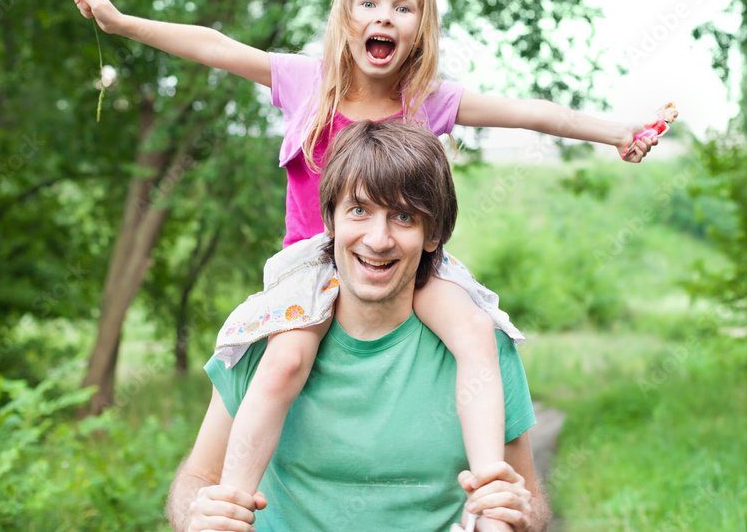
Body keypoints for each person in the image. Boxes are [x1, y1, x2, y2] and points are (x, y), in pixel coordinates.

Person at [71, 0, 661, 516]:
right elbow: (213, 45)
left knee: (477, 333)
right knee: (282, 362)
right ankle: (231, 503)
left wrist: (616, 134)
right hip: (312, 261)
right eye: (370, 4)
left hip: (406, 258)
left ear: (420, 28)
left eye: (403, 8)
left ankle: (489, 487)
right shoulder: (308, 82)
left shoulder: (428, 101)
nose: (385, 16)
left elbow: (533, 112)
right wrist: (121, 23)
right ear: (346, 17)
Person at [167, 119, 551, 531]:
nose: (378, 239)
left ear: (433, 234)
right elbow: (198, 478)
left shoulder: (482, 348)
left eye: (404, 216)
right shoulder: (267, 341)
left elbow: (528, 497)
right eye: (359, 210)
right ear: (330, 221)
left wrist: (521, 518)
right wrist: (198, 515)